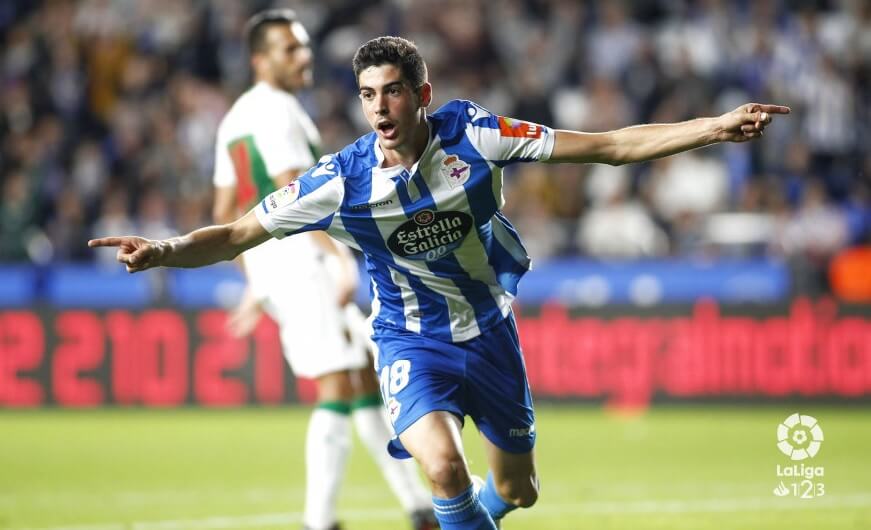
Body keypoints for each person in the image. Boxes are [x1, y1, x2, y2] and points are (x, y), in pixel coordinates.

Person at [90, 36, 789, 530]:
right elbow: (239, 232)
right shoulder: (341, 181)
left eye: (392, 91)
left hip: (489, 331)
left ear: (420, 95)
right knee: (442, 470)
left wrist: (712, 128)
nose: (379, 108)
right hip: (408, 340)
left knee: (519, 489)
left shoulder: (473, 136)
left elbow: (607, 147)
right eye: (367, 95)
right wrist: (165, 249)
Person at [209, 15, 435, 530]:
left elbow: (225, 206)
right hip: (301, 260)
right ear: (260, 61)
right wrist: (336, 259)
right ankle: (320, 521)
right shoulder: (279, 110)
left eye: (304, 47)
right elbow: (298, 193)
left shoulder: (235, 118)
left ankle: (418, 507)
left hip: (276, 265)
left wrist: (254, 279)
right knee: (338, 384)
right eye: (290, 49)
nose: (303, 57)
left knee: (357, 378)